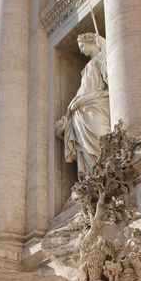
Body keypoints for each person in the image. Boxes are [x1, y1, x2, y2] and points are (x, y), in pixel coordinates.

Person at [55, 32, 110, 175]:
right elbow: (82, 91)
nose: (80, 50)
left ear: (91, 42)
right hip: (82, 110)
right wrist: (69, 112)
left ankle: (107, 170)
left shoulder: (100, 59)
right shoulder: (86, 68)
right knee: (86, 148)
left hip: (96, 105)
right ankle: (94, 175)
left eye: (82, 45)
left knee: (102, 138)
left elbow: (110, 81)